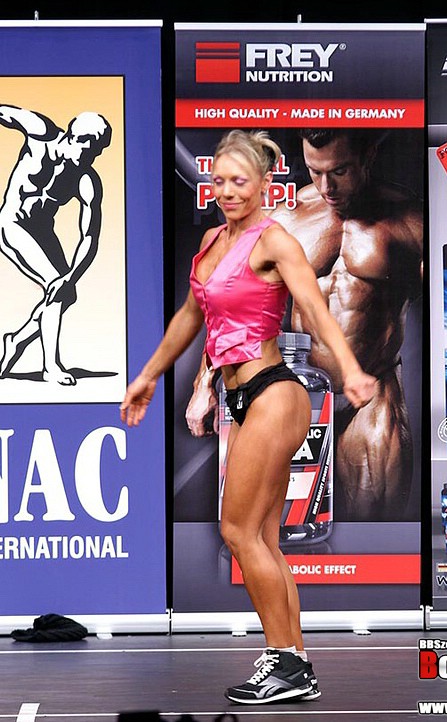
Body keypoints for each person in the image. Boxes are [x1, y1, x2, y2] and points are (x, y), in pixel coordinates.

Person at [120, 130, 376, 705]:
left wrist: (351, 369)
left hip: (274, 393)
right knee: (262, 537)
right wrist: (151, 375)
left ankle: (283, 662)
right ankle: (296, 663)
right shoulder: (213, 241)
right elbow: (192, 317)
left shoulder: (274, 240)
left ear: (263, 183)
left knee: (236, 531)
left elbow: (314, 308)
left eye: (240, 181)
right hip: (239, 396)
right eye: (219, 181)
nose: (228, 191)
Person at [186, 128, 423, 521]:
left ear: (368, 155)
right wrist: (203, 384)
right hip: (296, 392)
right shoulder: (286, 219)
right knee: (279, 528)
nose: (327, 186)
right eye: (316, 172)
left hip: (370, 394)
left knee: (373, 528)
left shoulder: (410, 220)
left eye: (339, 171)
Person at [0, 104, 112, 385]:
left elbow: (89, 237)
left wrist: (71, 277)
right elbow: (4, 113)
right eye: (92, 151)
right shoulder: (40, 132)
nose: (93, 158)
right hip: (12, 222)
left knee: (66, 292)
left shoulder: (86, 180)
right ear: (77, 139)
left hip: (42, 231)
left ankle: (16, 341)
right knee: (54, 285)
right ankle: (51, 366)